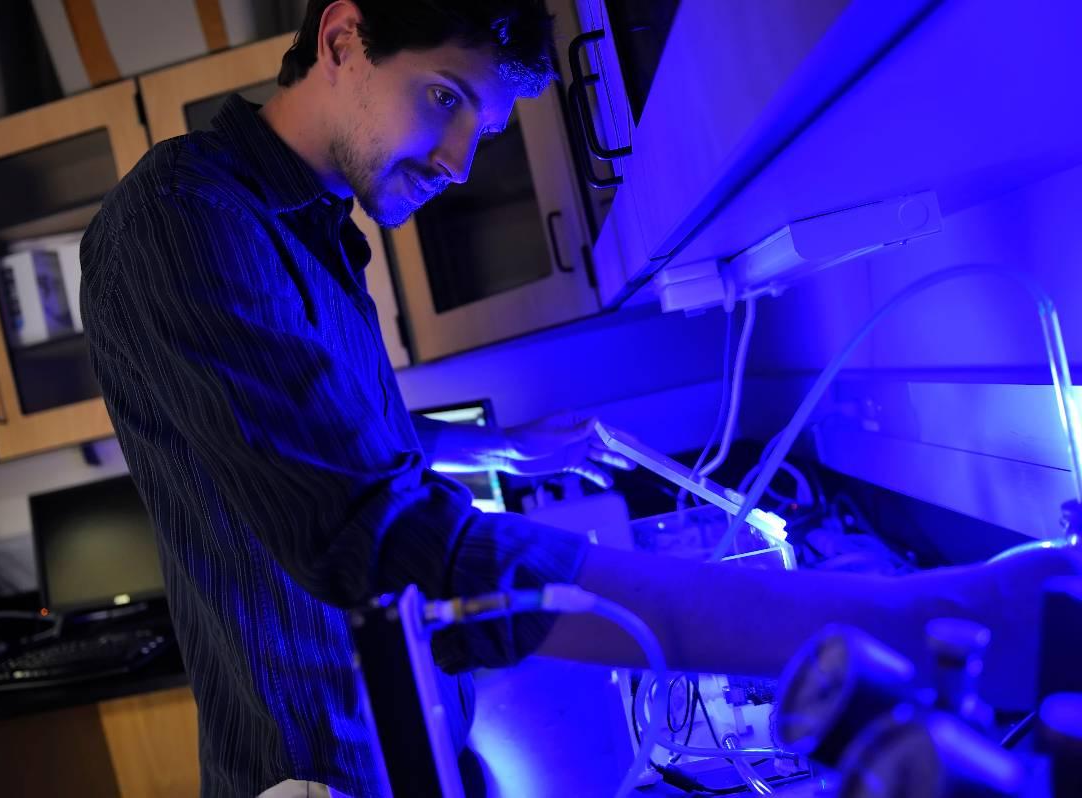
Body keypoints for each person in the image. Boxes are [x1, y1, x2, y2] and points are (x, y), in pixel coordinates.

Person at [80, 2, 1081, 796]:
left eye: (482, 125)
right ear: (342, 37)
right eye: (442, 98)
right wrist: (896, 620)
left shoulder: (310, 232)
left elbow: (330, 442)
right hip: (317, 762)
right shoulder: (186, 220)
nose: (458, 161)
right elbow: (371, 536)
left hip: (402, 733)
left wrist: (497, 451)